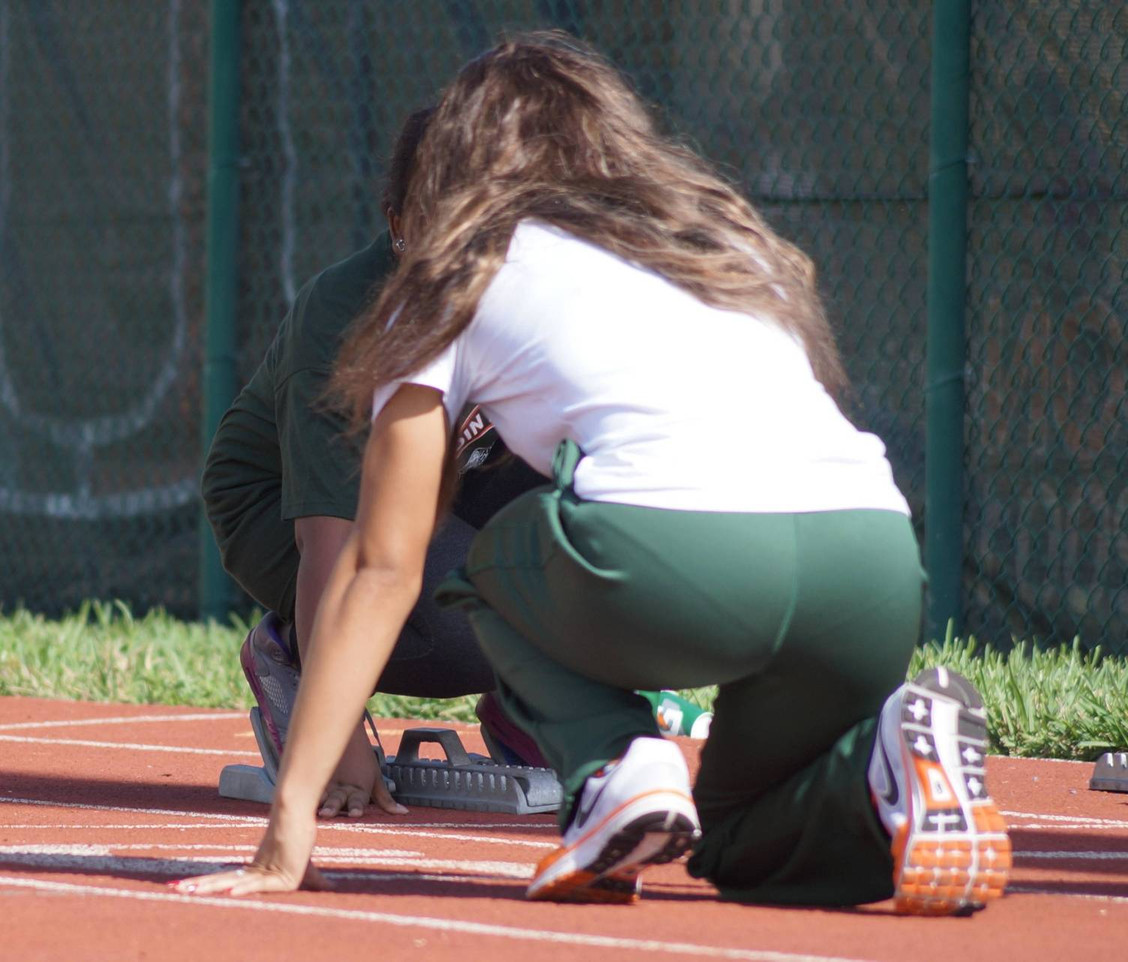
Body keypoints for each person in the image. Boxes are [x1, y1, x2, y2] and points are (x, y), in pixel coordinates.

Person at [177, 33, 1009, 915]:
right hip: (873, 563)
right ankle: (887, 766)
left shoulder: (451, 284)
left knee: (488, 562)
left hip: (684, 556)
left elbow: (382, 567)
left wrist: (289, 823)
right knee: (742, 846)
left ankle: (618, 762)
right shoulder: (720, 242)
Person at [201, 106, 551, 812]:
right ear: (399, 224)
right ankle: (290, 650)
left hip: (442, 488)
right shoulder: (346, 322)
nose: (471, 246)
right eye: (445, 220)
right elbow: (327, 537)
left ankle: (529, 705)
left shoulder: (531, 295)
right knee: (462, 630)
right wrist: (335, 746)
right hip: (285, 513)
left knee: (594, 547)